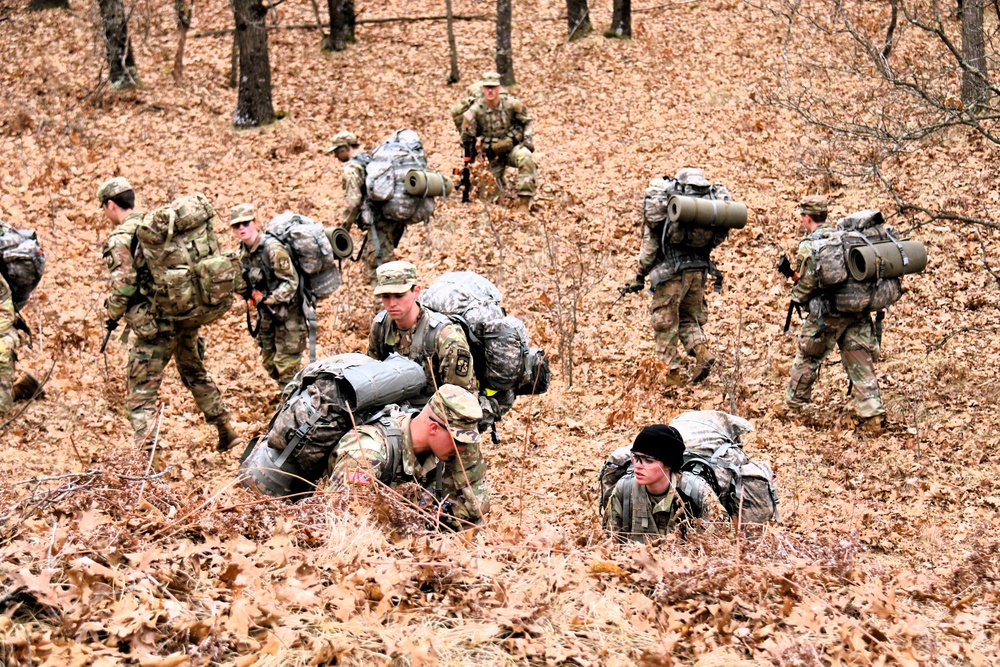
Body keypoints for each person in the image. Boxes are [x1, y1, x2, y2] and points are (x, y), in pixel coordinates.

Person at [98, 177, 240, 453]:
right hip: (184, 314)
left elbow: (124, 285)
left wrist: (112, 313)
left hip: (153, 327)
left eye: (104, 208)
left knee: (141, 396)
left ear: (111, 204)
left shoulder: (121, 238)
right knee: (193, 371)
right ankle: (226, 429)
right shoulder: (159, 229)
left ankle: (150, 460)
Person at [782, 195, 886, 431]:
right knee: (860, 363)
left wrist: (796, 294)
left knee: (808, 357)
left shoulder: (811, 245)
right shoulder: (847, 237)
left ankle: (793, 407)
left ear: (807, 218)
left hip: (827, 315)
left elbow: (806, 285)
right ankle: (873, 416)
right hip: (857, 311)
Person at [326, 384, 490, 528]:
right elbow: (339, 521)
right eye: (458, 440)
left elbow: (476, 511)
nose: (462, 448)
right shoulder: (370, 453)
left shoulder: (446, 449)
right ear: (433, 428)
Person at [627, 167, 722, 386]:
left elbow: (650, 248)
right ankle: (701, 351)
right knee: (689, 317)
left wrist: (640, 275)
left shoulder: (665, 210)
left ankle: (672, 375)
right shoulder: (706, 209)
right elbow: (715, 240)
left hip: (671, 274)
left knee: (665, 323)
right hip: (699, 271)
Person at [367, 261, 477, 394]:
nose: (392, 304)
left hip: (438, 408)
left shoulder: (445, 336)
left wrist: (422, 415)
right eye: (385, 296)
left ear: (416, 291)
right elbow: (372, 379)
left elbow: (463, 400)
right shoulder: (381, 327)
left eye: (399, 296)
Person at [603, 424, 722, 541]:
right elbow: (609, 545)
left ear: (668, 465)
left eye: (648, 461)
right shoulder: (625, 488)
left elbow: (721, 546)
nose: (638, 466)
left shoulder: (698, 491)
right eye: (636, 458)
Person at [231, 203, 306, 388]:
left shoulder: (273, 249)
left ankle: (294, 407)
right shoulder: (242, 254)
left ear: (255, 223)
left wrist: (269, 298)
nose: (242, 228)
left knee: (286, 368)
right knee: (269, 363)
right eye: (237, 225)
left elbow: (291, 282)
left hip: (289, 317)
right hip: (267, 317)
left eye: (246, 223)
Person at [460, 71, 536, 211]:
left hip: (511, 149)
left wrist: (527, 139)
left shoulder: (512, 104)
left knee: (525, 157)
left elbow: (529, 122)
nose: (490, 91)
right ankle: (499, 186)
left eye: (493, 87)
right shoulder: (475, 111)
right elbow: (466, 138)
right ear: (482, 88)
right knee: (490, 200)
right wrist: (473, 162)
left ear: (499, 88)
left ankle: (524, 203)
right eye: (487, 87)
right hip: (491, 156)